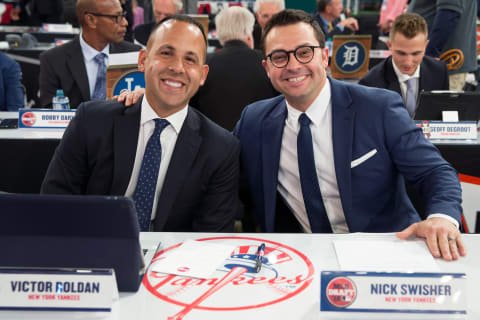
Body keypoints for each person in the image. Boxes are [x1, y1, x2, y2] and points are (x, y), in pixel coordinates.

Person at [233, 9, 465, 261]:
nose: (293, 65)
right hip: (300, 261)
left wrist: (441, 218)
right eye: (280, 57)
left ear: (324, 56)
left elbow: (434, 171)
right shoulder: (254, 121)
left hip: (386, 253)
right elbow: (220, 172)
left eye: (304, 52)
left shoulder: (378, 108)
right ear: (267, 67)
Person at [41, 15, 240, 233]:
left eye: (190, 59)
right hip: (93, 249)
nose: (177, 67)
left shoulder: (220, 148)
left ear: (202, 75)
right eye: (166, 53)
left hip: (173, 261)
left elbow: (211, 235)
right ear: (143, 60)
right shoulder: (91, 121)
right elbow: (56, 202)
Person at [39, 0, 141, 109]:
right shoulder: (54, 60)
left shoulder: (134, 54)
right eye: (116, 17)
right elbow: (49, 113)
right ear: (91, 20)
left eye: (123, 15)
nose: (124, 22)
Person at [189, 6, 278, 131]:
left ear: (219, 32)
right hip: (261, 140)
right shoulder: (268, 62)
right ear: (248, 31)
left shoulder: (203, 64)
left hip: (213, 143)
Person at [359, 13, 449, 117]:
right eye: (401, 53)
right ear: (389, 46)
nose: (408, 62)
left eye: (416, 53)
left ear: (426, 46)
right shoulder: (370, 84)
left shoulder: (439, 72)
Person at [408, 0, 477, 91]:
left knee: (437, 103)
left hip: (442, 65)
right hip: (434, 63)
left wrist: (430, 57)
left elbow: (449, 15)